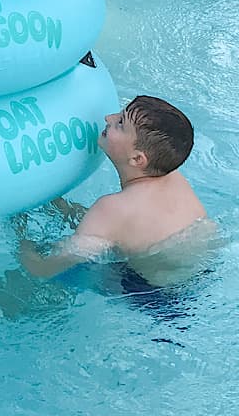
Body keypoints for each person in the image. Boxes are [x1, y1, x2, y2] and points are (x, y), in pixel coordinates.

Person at [18, 95, 218, 290]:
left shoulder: (110, 208)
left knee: (24, 284)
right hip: (203, 273)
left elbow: (43, 269)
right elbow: (134, 222)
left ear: (138, 159)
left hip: (152, 294)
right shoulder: (173, 175)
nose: (109, 118)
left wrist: (22, 241)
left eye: (120, 123)